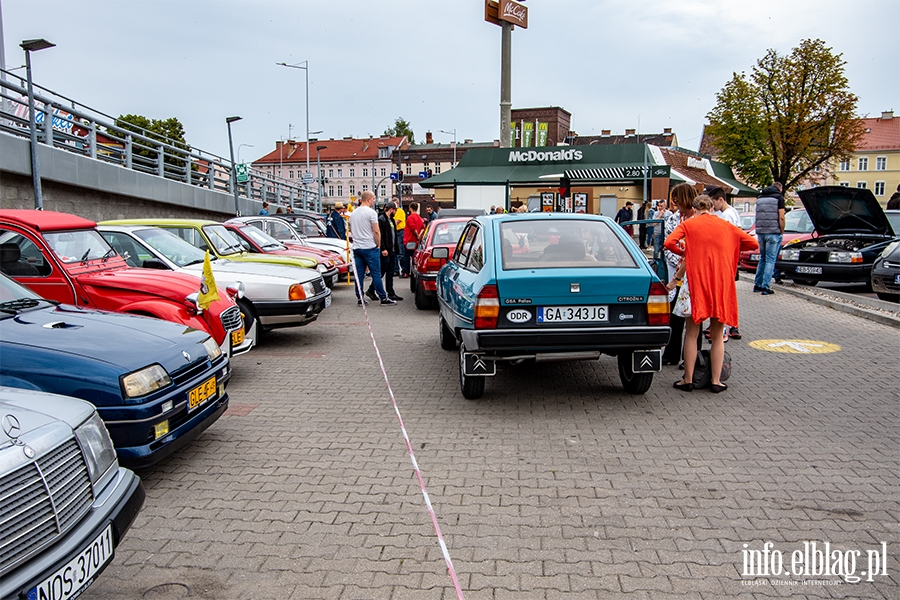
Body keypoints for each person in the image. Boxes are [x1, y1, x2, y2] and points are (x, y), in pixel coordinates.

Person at [665, 194, 758, 393]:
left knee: (691, 334)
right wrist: (727, 249)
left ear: (695, 209)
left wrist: (687, 252)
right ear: (711, 208)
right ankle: (716, 381)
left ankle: (688, 379)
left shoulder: (689, 225)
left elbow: (669, 243)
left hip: (695, 285)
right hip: (720, 285)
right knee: (716, 336)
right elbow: (753, 244)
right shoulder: (726, 226)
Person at [661, 183, 699, 366]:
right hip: (677, 270)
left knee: (694, 317)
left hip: (694, 273)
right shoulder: (673, 219)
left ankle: (692, 357)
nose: (675, 204)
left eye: (677, 200)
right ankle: (671, 353)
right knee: (675, 316)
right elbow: (667, 244)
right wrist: (679, 260)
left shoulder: (698, 218)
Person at [708, 186, 743, 339]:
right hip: (731, 258)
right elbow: (740, 231)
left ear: (720, 199)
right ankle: (732, 325)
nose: (713, 206)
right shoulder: (734, 211)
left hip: (724, 259)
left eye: (713, 203)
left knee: (722, 293)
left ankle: (722, 328)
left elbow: (722, 238)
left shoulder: (726, 216)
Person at [349, 191, 395, 306]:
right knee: (376, 273)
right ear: (369, 199)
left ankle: (360, 298)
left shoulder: (353, 213)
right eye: (373, 198)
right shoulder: (371, 213)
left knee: (359, 275)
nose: (374, 201)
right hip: (369, 247)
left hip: (357, 247)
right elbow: (376, 230)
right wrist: (378, 244)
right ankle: (383, 298)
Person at [753, 182, 786, 295]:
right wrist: (781, 231)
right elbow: (781, 216)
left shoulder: (760, 198)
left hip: (761, 232)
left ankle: (757, 284)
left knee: (762, 258)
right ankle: (765, 287)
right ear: (779, 189)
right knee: (770, 260)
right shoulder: (779, 198)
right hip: (773, 232)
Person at [366, 201, 403, 301]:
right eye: (395, 210)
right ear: (391, 210)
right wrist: (383, 248)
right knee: (382, 271)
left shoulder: (390, 219)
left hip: (391, 249)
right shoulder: (381, 219)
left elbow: (393, 235)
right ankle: (371, 289)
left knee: (390, 272)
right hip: (386, 250)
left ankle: (390, 292)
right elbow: (380, 235)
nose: (395, 212)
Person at [403, 202, 425, 275]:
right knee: (414, 257)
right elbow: (422, 227)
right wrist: (419, 235)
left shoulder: (410, 217)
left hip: (409, 240)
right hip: (416, 242)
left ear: (411, 208)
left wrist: (417, 234)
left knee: (406, 257)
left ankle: (406, 272)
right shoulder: (419, 217)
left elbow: (413, 228)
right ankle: (413, 271)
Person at [393, 198, 407, 277]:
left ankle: (403, 270)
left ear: (398, 204)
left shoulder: (400, 211)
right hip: (395, 232)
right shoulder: (393, 212)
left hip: (400, 232)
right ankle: (396, 270)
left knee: (401, 252)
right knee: (394, 251)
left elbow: (396, 221)